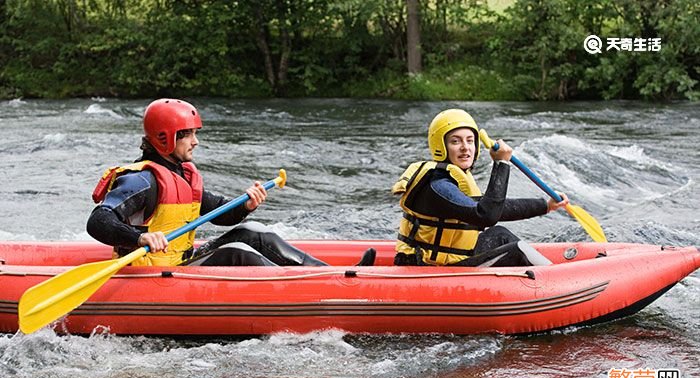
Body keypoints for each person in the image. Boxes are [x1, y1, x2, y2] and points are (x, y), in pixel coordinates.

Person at [87, 98, 375, 267]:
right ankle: (310, 289)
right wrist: (139, 237)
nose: (195, 142)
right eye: (187, 135)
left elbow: (218, 212)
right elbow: (98, 220)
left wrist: (245, 205)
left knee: (253, 233)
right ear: (166, 137)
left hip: (181, 261)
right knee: (236, 253)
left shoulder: (182, 174)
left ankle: (330, 276)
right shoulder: (141, 180)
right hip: (153, 274)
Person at [392, 109, 569, 267]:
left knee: (499, 234)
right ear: (440, 146)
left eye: (470, 141)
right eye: (455, 141)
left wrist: (545, 206)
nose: (465, 148)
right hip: (428, 269)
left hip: (449, 261)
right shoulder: (438, 186)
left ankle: (554, 277)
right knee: (518, 250)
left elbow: (497, 208)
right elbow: (487, 215)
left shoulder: (452, 180)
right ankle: (558, 283)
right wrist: (501, 164)